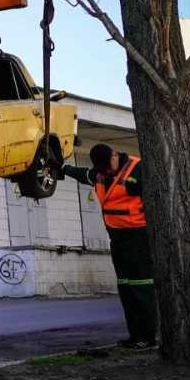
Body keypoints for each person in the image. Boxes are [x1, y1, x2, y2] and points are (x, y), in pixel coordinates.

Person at [58, 143, 157, 349]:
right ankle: (135, 335)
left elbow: (155, 202)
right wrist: (64, 169)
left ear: (115, 154)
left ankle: (147, 337)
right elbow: (84, 174)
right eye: (102, 168)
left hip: (138, 237)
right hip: (117, 238)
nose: (106, 171)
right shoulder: (101, 172)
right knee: (125, 287)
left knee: (141, 286)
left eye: (108, 166)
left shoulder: (137, 169)